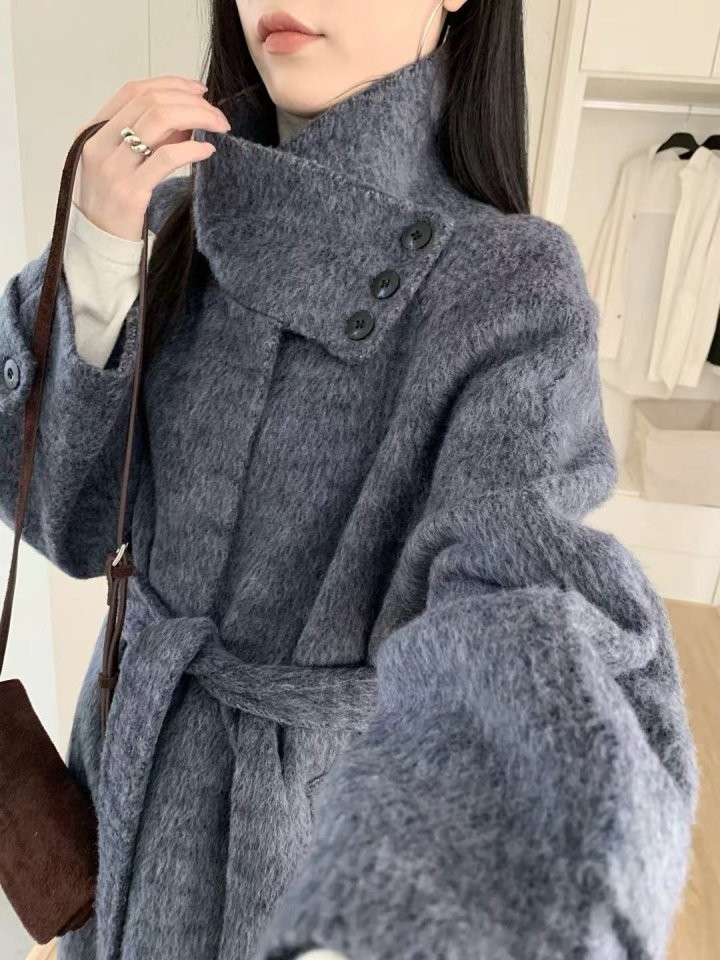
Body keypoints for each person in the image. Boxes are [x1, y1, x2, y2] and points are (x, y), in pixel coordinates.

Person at [0, 2, 698, 959]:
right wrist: (93, 252)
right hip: (123, 769)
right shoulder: (170, 213)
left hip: (302, 850)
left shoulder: (508, 284)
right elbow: (67, 526)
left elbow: (521, 592)